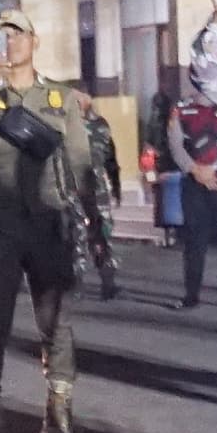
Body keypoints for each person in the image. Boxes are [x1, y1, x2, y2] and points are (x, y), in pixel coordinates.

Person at [0, 13, 90, 433]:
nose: (11, 41)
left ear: (36, 40)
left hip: (49, 223)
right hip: (0, 226)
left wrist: (92, 224)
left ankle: (58, 410)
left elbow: (81, 163)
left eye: (18, 33)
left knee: (55, 322)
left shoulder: (59, 97)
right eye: (2, 34)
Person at [169, 28, 217, 308]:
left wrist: (216, 169)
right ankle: (191, 295)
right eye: (211, 46)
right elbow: (175, 145)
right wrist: (195, 170)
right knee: (194, 241)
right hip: (194, 182)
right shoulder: (181, 109)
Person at [76, 101, 126, 303]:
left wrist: (116, 187)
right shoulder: (61, 124)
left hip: (97, 191)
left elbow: (110, 159)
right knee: (75, 236)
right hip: (72, 190)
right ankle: (74, 285)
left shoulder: (101, 126)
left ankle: (108, 284)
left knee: (103, 234)